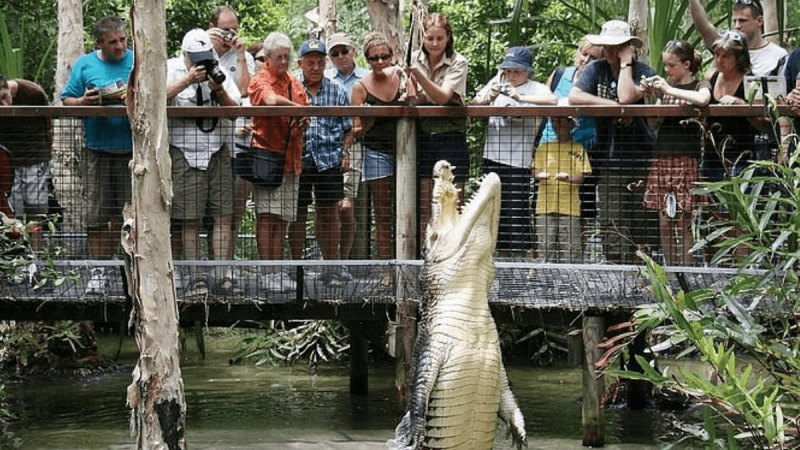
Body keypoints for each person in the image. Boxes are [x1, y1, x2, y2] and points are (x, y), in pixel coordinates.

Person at [568, 19, 658, 264]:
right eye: (606, 46)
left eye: (616, 46)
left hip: (641, 158)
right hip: (608, 160)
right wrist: (613, 107)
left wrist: (627, 62)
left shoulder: (642, 71)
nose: (609, 51)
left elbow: (626, 95)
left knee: (642, 221)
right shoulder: (595, 69)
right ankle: (616, 275)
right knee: (611, 221)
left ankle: (645, 279)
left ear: (626, 47)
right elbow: (574, 96)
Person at [60, 15, 133, 296]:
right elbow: (67, 99)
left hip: (131, 153)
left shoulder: (137, 61)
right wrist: (85, 102)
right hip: (98, 151)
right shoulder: (85, 64)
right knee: (97, 216)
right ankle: (97, 271)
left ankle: (130, 270)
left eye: (123, 39)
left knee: (129, 216)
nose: (120, 46)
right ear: (99, 42)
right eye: (113, 42)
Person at [166, 28, 241, 296]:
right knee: (189, 218)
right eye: (195, 59)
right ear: (184, 56)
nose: (200, 63)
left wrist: (218, 90)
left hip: (216, 152)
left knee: (223, 215)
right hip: (184, 154)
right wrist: (187, 80)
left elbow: (235, 113)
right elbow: (156, 100)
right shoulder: (170, 68)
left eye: (204, 57)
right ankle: (195, 277)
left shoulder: (218, 69)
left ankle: (222, 275)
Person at [472, 46, 556, 257]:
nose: (511, 76)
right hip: (492, 158)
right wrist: (488, 98)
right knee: (491, 211)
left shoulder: (535, 88)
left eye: (516, 71)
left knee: (515, 212)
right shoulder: (496, 82)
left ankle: (519, 262)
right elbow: (475, 104)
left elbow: (552, 101)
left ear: (527, 71)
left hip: (518, 162)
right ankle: (493, 259)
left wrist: (519, 98)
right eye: (508, 71)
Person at [641, 40, 711, 266]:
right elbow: (653, 123)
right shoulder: (665, 91)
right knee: (664, 221)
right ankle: (670, 272)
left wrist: (669, 89)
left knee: (684, 221)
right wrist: (648, 96)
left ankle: (686, 273)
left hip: (686, 159)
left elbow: (703, 100)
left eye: (671, 65)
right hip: (662, 158)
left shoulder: (699, 84)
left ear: (687, 64)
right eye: (666, 65)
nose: (667, 70)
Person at [289, 38, 353, 285]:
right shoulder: (291, 86)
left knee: (329, 214)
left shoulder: (336, 89)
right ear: (301, 63)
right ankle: (297, 269)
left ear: (325, 63)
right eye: (310, 62)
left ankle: (331, 267)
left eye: (319, 62)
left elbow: (348, 127)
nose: (315, 67)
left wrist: (344, 153)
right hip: (299, 159)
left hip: (328, 160)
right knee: (297, 214)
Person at [249, 32, 308, 292]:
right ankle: (267, 270)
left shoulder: (294, 82)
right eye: (279, 57)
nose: (284, 61)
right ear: (267, 57)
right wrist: (296, 109)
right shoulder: (260, 79)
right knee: (267, 216)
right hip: (268, 158)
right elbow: (271, 101)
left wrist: (303, 117)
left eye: (287, 57)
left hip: (292, 159)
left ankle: (277, 267)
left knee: (283, 218)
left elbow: (305, 111)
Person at [406, 13, 469, 244]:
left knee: (451, 204)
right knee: (424, 204)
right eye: (429, 38)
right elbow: (412, 98)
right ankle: (423, 256)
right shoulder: (413, 58)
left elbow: (443, 97)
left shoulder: (458, 62)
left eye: (439, 38)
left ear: (448, 38)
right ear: (423, 38)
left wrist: (418, 78)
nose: (434, 43)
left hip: (451, 137)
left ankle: (451, 256)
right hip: (422, 138)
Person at [351, 32, 405, 288]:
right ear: (367, 59)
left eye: (385, 56)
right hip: (376, 153)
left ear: (392, 55)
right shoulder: (360, 87)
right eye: (374, 58)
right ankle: (387, 270)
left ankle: (410, 264)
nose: (381, 62)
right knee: (383, 214)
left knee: (409, 211)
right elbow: (356, 127)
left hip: (407, 151)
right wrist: (370, 116)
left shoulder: (403, 77)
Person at [325, 32, 369, 261]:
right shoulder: (323, 78)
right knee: (327, 205)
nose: (340, 56)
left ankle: (344, 259)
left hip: (356, 144)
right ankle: (329, 261)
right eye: (335, 53)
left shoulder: (367, 76)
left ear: (353, 51)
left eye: (344, 51)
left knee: (346, 206)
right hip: (327, 146)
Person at [0, 75, 53, 254]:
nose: (4, 105)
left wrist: (47, 154)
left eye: (4, 97)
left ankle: (36, 257)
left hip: (35, 159)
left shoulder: (32, 92)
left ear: (7, 86)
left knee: (37, 211)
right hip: (8, 163)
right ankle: (17, 257)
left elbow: (48, 123)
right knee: (13, 213)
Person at [532, 116, 592, 262]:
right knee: (545, 250)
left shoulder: (578, 149)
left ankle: (573, 282)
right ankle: (545, 282)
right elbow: (534, 170)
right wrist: (540, 175)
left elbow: (582, 176)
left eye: (561, 121)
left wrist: (569, 179)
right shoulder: (543, 148)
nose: (557, 125)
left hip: (570, 208)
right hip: (545, 207)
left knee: (572, 251)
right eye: (554, 122)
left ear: (570, 124)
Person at [689, 0, 786, 76]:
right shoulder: (727, 48)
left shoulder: (778, 55)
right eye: (734, 21)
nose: (737, 26)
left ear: (759, 21)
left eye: (742, 21)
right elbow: (705, 29)